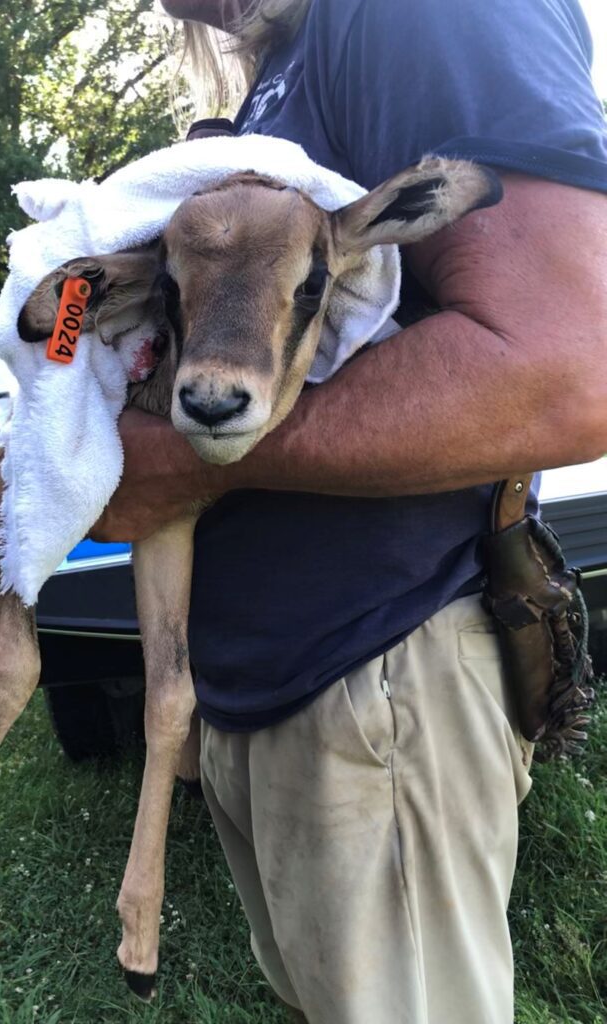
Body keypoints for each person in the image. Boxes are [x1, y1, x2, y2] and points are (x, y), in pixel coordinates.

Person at [94, 1, 607, 1020]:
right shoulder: (289, 62)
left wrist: (178, 457)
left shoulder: (418, 13)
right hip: (267, 694)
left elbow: (567, 363)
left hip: (376, 680)